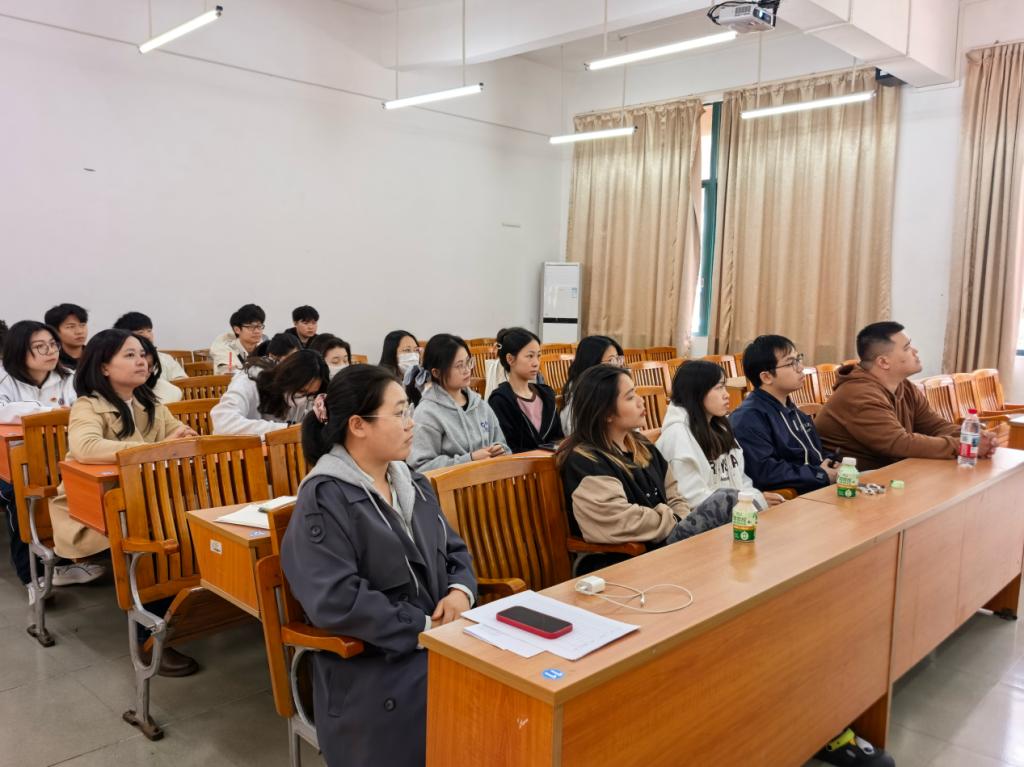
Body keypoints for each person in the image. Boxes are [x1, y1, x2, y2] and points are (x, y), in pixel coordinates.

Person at [280, 364, 476, 767]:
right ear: (358, 425)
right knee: (482, 700)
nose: (410, 423)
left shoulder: (412, 482)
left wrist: (460, 592)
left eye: (409, 411)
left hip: (437, 641)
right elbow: (337, 598)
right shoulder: (324, 498)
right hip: (376, 664)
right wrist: (423, 626)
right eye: (399, 413)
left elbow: (454, 549)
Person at [556, 365, 734, 572]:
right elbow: (620, 521)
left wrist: (679, 518)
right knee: (725, 501)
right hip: (622, 562)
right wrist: (673, 519)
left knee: (731, 512)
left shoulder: (642, 445)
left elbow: (675, 496)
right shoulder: (585, 460)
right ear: (606, 412)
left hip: (663, 547)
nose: (641, 401)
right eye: (631, 397)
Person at [815, 321, 997, 470]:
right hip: (849, 483)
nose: (915, 351)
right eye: (907, 348)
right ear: (883, 362)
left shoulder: (904, 386)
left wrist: (975, 437)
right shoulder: (858, 394)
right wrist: (963, 446)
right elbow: (898, 443)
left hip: (889, 475)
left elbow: (934, 426)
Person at [0, 320, 78, 592]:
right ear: (20, 350)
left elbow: (81, 409)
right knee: (19, 495)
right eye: (40, 347)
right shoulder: (5, 378)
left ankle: (66, 560)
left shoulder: (68, 377)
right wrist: (46, 411)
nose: (51, 351)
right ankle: (30, 575)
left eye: (53, 344)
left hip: (58, 457)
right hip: (9, 463)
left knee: (71, 489)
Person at [657, 360, 782, 510]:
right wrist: (753, 502)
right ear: (696, 392)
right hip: (707, 521)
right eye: (719, 387)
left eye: (725, 387)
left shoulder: (719, 427)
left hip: (734, 514)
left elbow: (741, 481)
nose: (727, 395)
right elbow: (692, 499)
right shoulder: (677, 437)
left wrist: (755, 498)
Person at [730, 335, 838, 494]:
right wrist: (820, 474)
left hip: (816, 489)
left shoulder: (793, 410)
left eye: (798, 359)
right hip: (791, 499)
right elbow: (766, 472)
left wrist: (833, 463)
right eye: (791, 363)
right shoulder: (748, 418)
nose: (800, 367)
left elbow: (813, 453)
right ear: (767, 377)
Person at [407, 334, 509, 471]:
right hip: (454, 485)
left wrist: (499, 450)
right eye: (459, 366)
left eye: (468, 362)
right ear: (436, 372)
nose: (467, 370)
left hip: (488, 481)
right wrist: (470, 459)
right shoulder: (427, 413)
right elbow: (421, 467)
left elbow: (503, 445)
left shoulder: (480, 405)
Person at [211, 349, 328, 436]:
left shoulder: (298, 397)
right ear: (287, 378)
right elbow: (223, 423)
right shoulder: (248, 381)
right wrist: (285, 429)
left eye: (310, 394)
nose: (303, 399)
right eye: (301, 391)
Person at [487, 327, 563, 452]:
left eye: (538, 356)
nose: (536, 363)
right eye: (530, 356)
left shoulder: (546, 394)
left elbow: (558, 438)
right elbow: (507, 448)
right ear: (510, 359)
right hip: (520, 464)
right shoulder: (500, 400)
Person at [560, 335, 624, 433]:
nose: (617, 367)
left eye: (617, 359)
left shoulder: (613, 390)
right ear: (592, 364)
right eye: (611, 360)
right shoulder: (579, 401)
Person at [112, 311, 187, 382]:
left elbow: (183, 381)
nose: (148, 336)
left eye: (149, 331)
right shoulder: (120, 362)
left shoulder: (165, 358)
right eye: (140, 332)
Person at [209, 304, 267, 374]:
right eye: (251, 327)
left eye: (259, 326)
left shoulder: (265, 347)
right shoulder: (225, 350)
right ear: (237, 330)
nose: (257, 331)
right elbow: (227, 375)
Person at [43, 303, 89, 370]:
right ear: (54, 330)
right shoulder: (51, 360)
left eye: (82, 325)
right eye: (71, 327)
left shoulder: (96, 356)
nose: (79, 331)